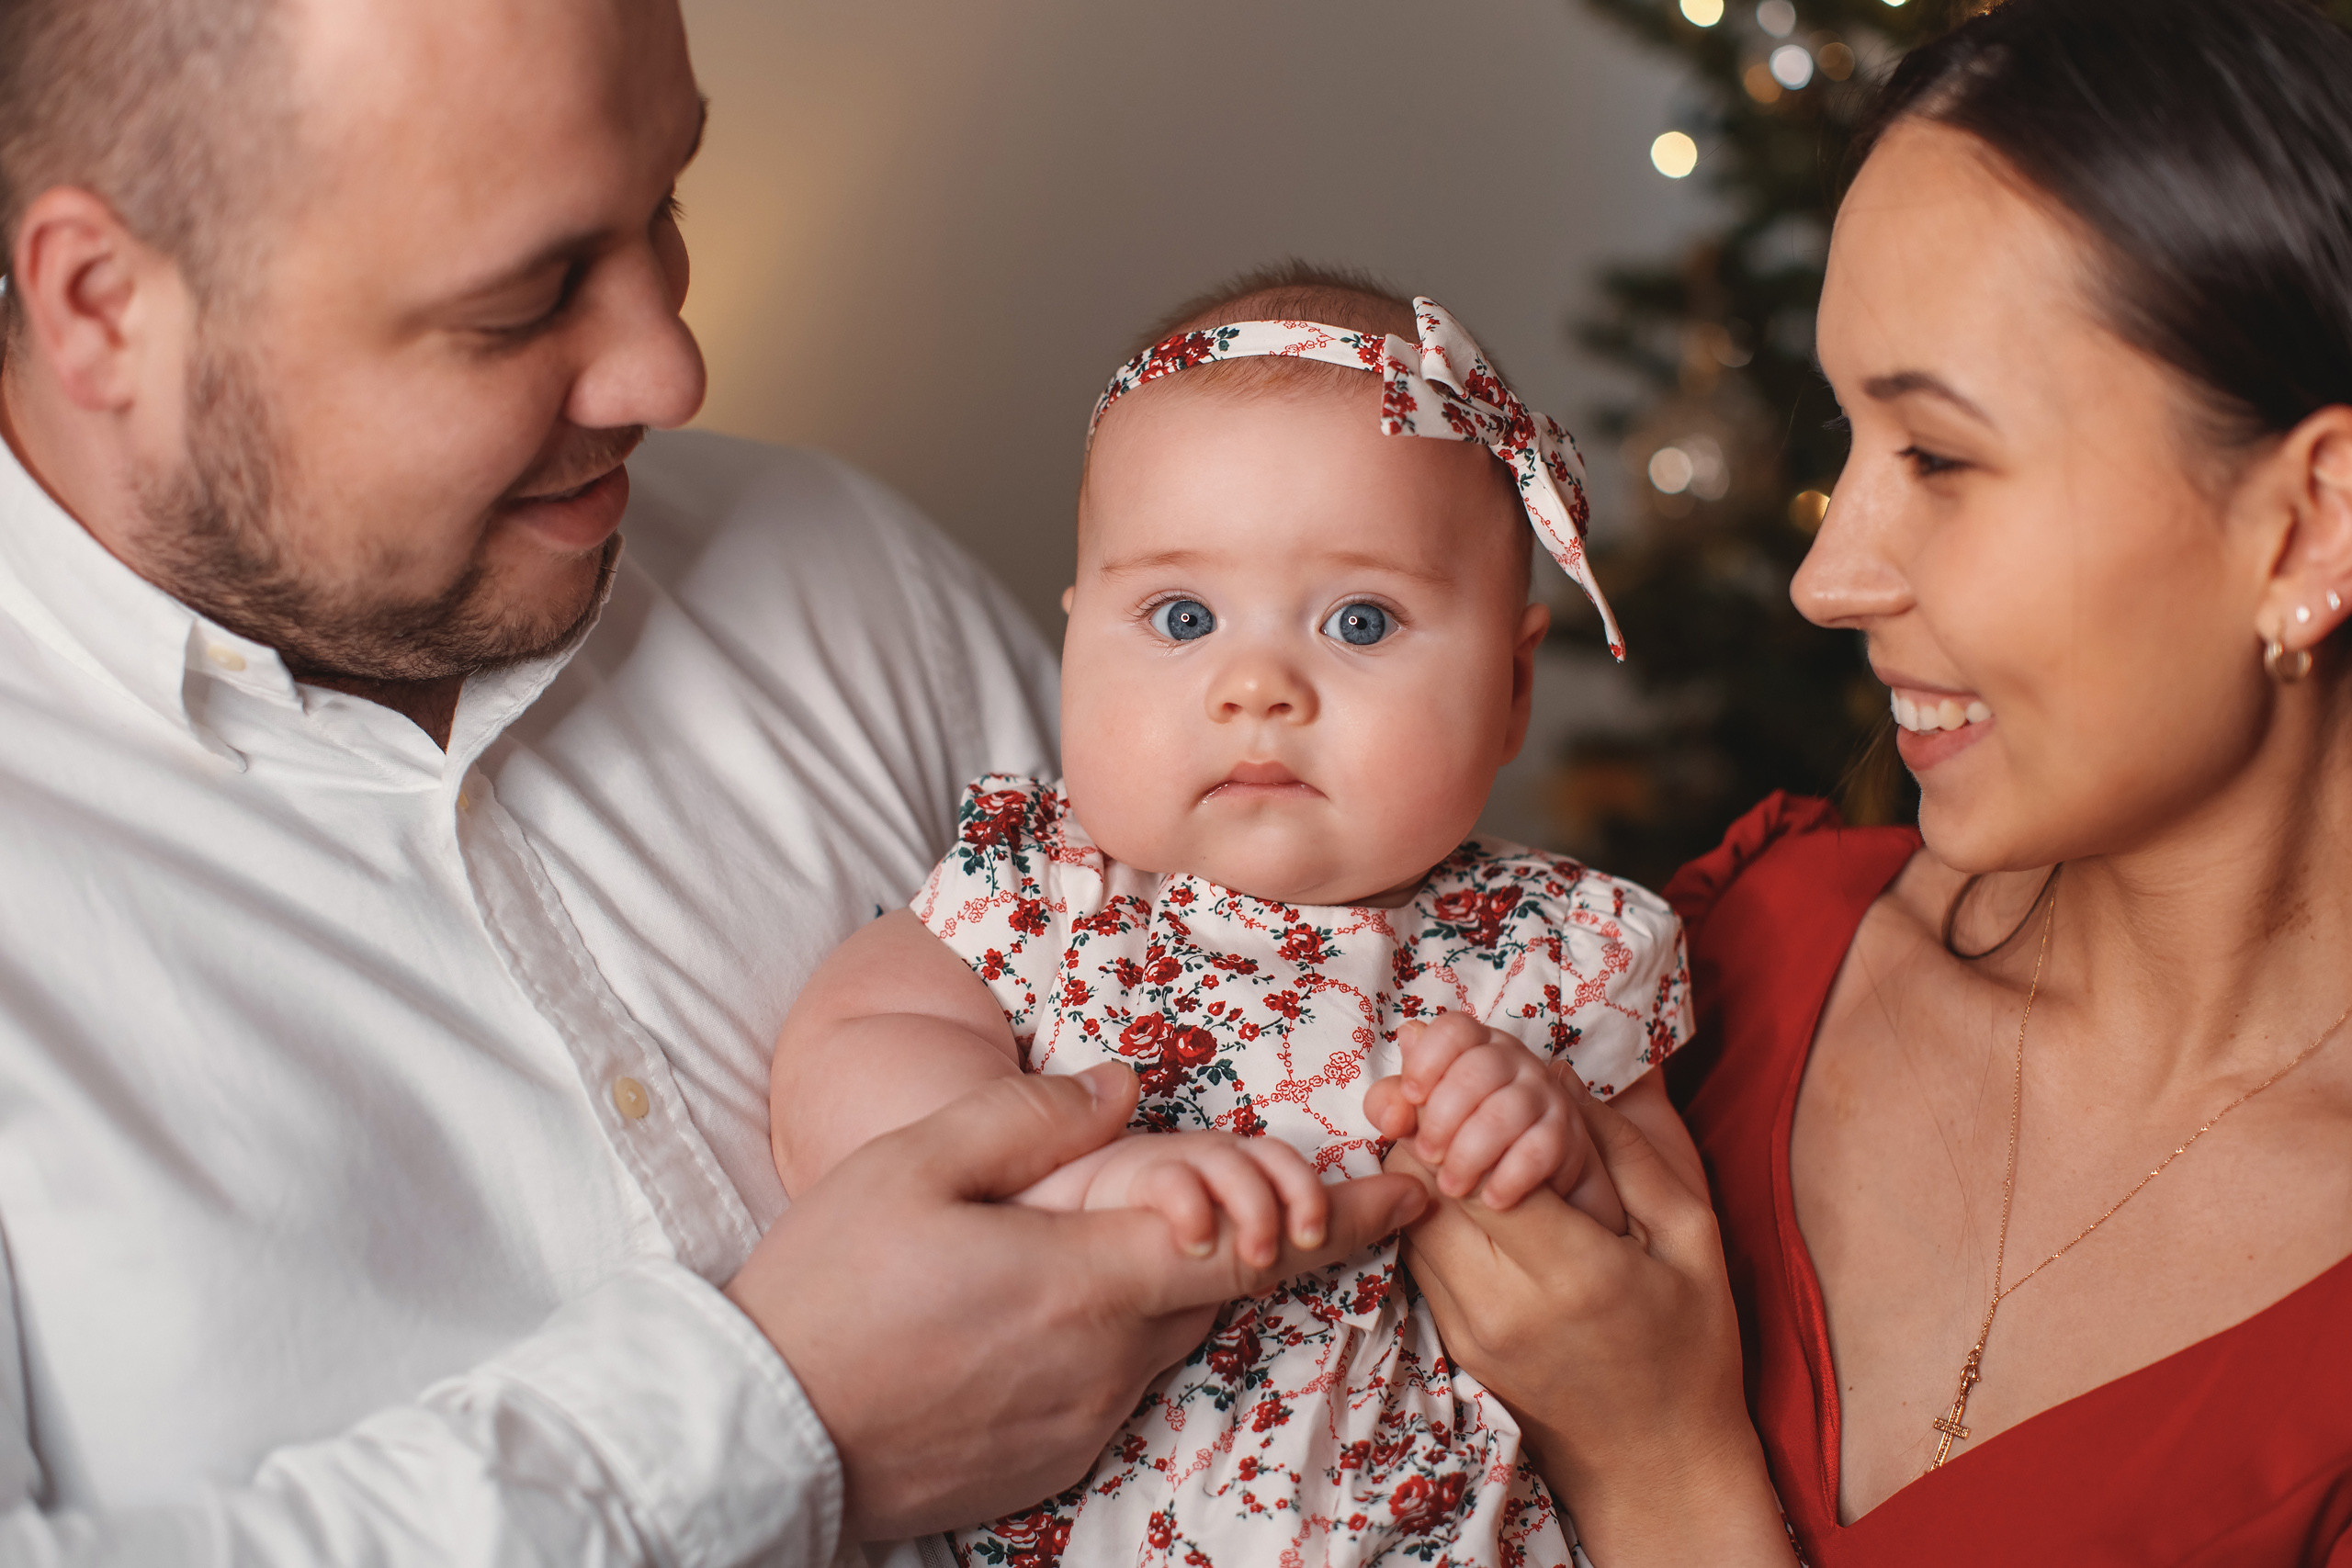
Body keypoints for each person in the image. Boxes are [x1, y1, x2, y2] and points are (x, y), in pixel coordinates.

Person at [0, 0, 1430, 1560]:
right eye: (524, 298)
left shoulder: (845, 577)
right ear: (104, 307)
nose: (668, 370)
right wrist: (777, 1423)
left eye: (665, 204)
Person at [1392, 0, 2352, 1562]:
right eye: (1847, 435)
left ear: (2308, 526)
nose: (1826, 579)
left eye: (1942, 456)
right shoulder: (1719, 969)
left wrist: (1659, 1467)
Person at [766, 271, 1701, 1567]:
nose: (1257, 686)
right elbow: (849, 1049)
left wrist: (1548, 1141)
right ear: (1078, 642)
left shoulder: (1554, 949)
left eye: (1360, 621)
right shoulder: (1045, 888)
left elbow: (1662, 1275)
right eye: (1183, 618)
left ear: (1512, 687)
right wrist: (1071, 1182)